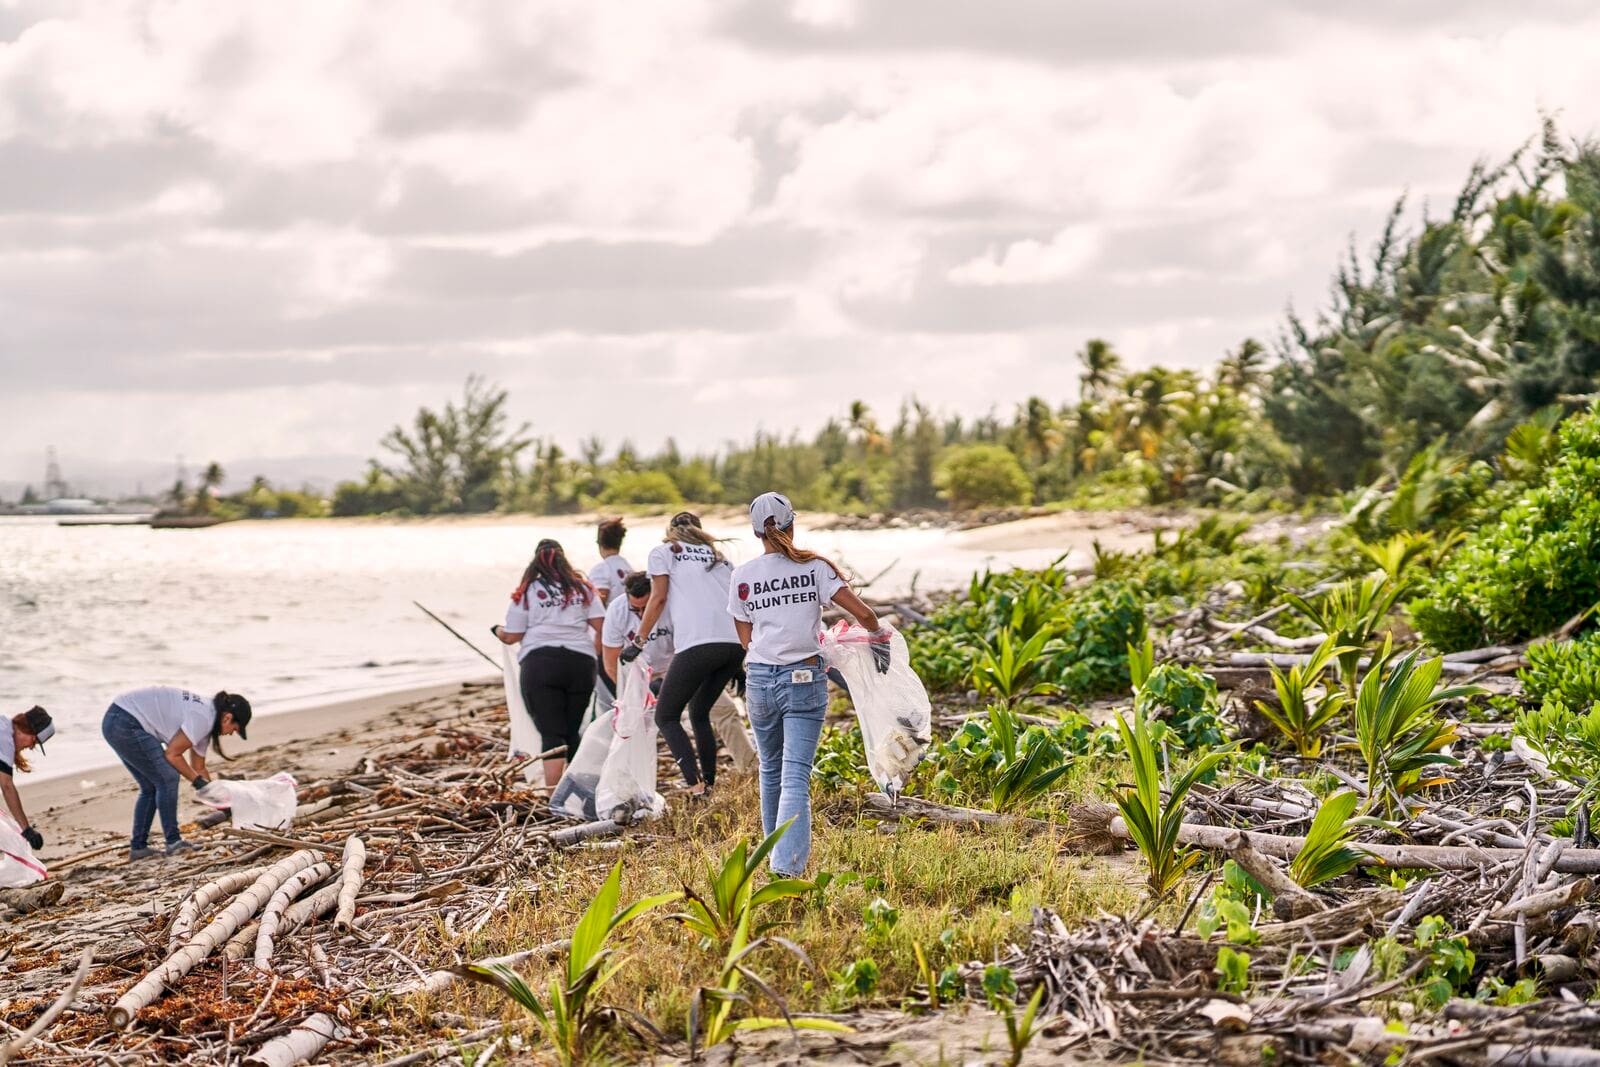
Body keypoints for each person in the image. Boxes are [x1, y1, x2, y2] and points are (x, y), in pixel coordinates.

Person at [728, 492, 889, 877]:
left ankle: (775, 856)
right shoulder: (814, 567)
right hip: (804, 678)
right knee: (795, 774)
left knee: (770, 769)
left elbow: (745, 639)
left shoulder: (742, 576)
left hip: (761, 681)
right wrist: (878, 640)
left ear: (756, 534)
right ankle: (787, 866)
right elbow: (863, 613)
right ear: (791, 525)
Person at [632, 511, 744, 796]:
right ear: (700, 531)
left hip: (698, 644)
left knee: (666, 716)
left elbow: (657, 598)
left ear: (670, 531)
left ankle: (695, 787)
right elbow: (738, 606)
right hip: (732, 646)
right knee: (699, 712)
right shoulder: (720, 558)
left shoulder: (664, 552)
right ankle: (707, 784)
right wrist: (742, 660)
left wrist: (638, 641)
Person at [603, 571, 757, 775]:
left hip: (681, 667)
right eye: (635, 609)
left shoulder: (677, 604)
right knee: (628, 726)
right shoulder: (617, 610)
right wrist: (630, 696)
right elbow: (611, 662)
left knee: (725, 710)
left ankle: (750, 769)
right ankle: (628, 779)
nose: (641, 615)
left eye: (645, 608)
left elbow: (699, 645)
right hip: (643, 675)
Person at [493, 538, 605, 788]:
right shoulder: (583, 588)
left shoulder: (527, 591)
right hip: (580, 664)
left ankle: (553, 792)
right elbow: (601, 626)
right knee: (572, 729)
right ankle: (577, 788)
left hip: (541, 664)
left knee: (552, 732)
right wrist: (594, 655)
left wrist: (497, 630)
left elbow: (512, 636)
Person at [101, 687, 251, 860]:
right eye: (235, 728)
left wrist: (223, 805)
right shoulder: (203, 716)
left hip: (116, 719)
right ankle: (173, 842)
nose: (232, 733)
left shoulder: (207, 721)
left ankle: (138, 848)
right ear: (227, 717)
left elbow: (199, 768)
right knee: (168, 778)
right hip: (125, 721)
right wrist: (196, 781)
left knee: (150, 786)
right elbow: (173, 755)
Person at [1, 707, 54, 853]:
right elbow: (6, 786)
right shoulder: (5, 740)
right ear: (25, 728)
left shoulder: (4, 726)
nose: (31, 746)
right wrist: (26, 829)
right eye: (34, 740)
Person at [587, 517, 634, 608]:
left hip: (611, 618)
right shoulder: (627, 566)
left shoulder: (601, 568)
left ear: (599, 543)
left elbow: (600, 599)